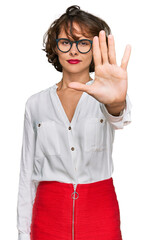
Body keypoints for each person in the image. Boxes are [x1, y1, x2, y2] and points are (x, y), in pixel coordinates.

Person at [16, 5, 132, 240]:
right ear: (55, 48)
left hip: (100, 210)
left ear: (95, 49)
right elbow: (27, 172)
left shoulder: (107, 95)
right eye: (65, 42)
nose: (74, 51)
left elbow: (118, 116)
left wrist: (116, 101)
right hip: (47, 214)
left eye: (83, 42)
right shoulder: (35, 104)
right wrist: (22, 231)